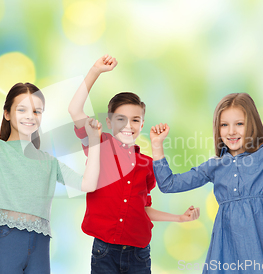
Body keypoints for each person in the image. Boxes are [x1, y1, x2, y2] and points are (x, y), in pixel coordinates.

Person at [0, 35, 102, 273]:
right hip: (7, 240)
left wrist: (94, 141)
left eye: (37, 111)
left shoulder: (49, 163)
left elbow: (88, 184)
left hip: (40, 243)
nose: (31, 116)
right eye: (22, 109)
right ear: (7, 113)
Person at [150, 67, 263, 273]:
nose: (231, 131)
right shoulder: (214, 166)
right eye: (224, 125)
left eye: (239, 124)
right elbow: (169, 184)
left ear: (252, 123)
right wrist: (157, 146)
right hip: (227, 249)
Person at [68, 55, 201, 274]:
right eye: (121, 119)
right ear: (109, 122)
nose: (128, 125)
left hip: (139, 253)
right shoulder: (98, 144)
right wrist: (95, 71)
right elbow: (74, 110)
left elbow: (143, 209)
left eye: (135, 120)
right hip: (105, 251)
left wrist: (179, 218)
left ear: (142, 124)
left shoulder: (147, 164)